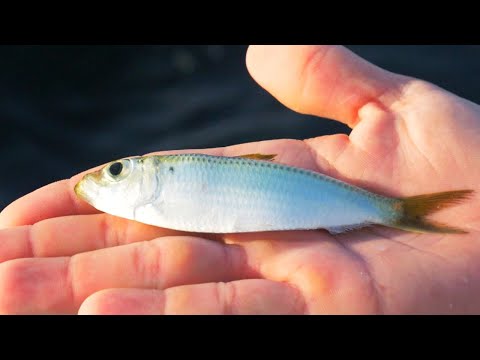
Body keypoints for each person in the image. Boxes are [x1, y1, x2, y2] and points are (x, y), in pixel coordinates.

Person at [0, 45, 478, 314]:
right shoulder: (161, 187)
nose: (104, 178)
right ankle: (407, 215)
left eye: (116, 170)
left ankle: (405, 214)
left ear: (149, 172)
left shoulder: (168, 176)